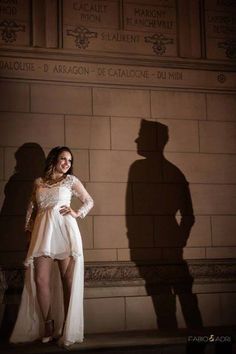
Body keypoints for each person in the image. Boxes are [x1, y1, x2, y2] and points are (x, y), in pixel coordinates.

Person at [10, 146, 94, 346]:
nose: (67, 163)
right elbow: (31, 212)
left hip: (65, 232)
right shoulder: (38, 183)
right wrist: (29, 236)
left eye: (70, 161)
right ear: (54, 159)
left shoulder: (71, 181)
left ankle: (68, 327)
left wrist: (76, 213)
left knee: (68, 281)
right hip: (42, 234)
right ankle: (48, 324)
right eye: (64, 159)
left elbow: (89, 201)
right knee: (40, 280)